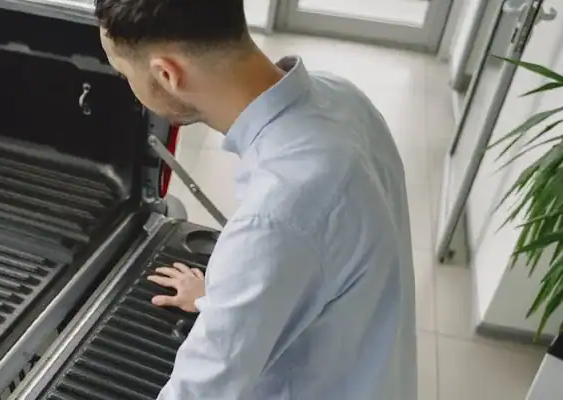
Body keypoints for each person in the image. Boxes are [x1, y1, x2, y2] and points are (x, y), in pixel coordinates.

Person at [93, 0, 417, 399]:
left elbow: (199, 393)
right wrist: (225, 302)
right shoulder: (344, 99)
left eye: (125, 73)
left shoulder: (275, 215)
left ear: (166, 74)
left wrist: (235, 293)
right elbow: (326, 260)